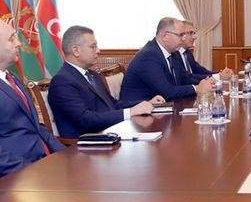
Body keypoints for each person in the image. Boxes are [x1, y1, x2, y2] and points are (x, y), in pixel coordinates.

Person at [48, 26, 165, 139]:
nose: (98, 51)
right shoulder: (62, 82)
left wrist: (145, 103)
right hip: (86, 145)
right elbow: (86, 120)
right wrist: (130, 112)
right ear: (76, 51)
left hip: (110, 134)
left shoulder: (93, 75)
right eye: (93, 47)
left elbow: (113, 105)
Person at [0, 21, 63, 177]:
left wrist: (64, 154)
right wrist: (28, 171)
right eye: (12, 39)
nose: (19, 43)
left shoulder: (13, 77)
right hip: (18, 175)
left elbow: (36, 125)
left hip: (44, 163)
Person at [120, 17, 215, 104]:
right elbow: (167, 92)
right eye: (181, 35)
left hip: (163, 106)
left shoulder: (173, 52)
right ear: (165, 36)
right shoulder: (148, 56)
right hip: (138, 110)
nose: (183, 39)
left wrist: (205, 83)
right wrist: (197, 88)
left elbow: (185, 78)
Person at [171, 21, 233, 85]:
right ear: (181, 35)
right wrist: (218, 77)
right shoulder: (173, 55)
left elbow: (202, 71)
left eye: (194, 33)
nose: (195, 37)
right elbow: (187, 78)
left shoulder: (187, 53)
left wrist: (220, 74)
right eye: (191, 33)